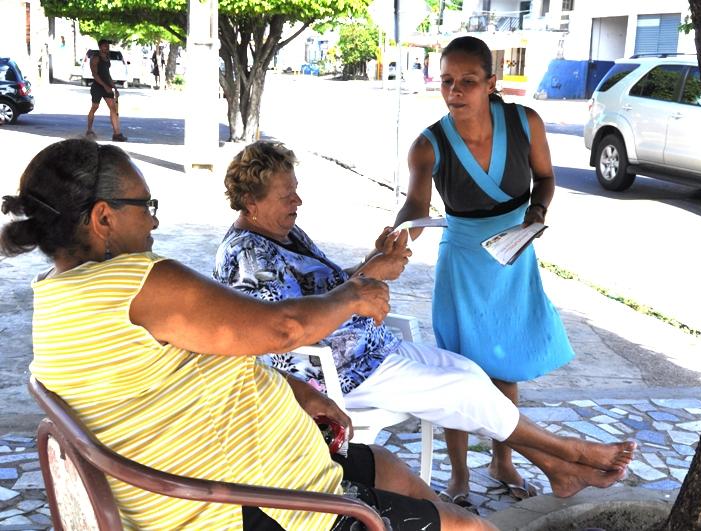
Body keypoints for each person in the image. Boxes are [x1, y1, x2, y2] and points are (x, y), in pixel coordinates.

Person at [0, 138, 493, 531]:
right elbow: (284, 328)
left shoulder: (58, 293)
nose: (154, 218)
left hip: (262, 470)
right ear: (103, 217)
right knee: (468, 527)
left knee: (390, 469)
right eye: (145, 204)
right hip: (250, 503)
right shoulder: (137, 282)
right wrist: (353, 295)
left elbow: (197, 356)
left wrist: (291, 389)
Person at [213, 140, 636, 511]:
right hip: (335, 372)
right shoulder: (247, 255)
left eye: (296, 189)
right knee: (465, 390)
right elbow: (287, 331)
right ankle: (571, 452)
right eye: (286, 195)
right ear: (251, 201)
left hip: (367, 347)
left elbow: (323, 288)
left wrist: (372, 262)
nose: (298, 201)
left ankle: (556, 469)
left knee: (470, 373)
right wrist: (369, 277)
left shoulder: (282, 232)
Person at [393, 36, 576, 504]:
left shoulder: (525, 122)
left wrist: (537, 211)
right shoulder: (428, 145)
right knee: (459, 367)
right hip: (463, 264)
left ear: (492, 83)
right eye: (447, 81)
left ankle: (502, 461)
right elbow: (416, 207)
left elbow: (546, 178)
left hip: (513, 255)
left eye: (468, 81)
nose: (455, 91)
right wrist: (398, 234)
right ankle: (458, 474)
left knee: (504, 366)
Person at [86, 39, 126, 142]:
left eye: (108, 46)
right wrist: (104, 86)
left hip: (107, 86)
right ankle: (89, 130)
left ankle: (117, 134)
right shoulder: (95, 58)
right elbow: (95, 75)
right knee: (94, 107)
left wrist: (115, 88)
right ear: (100, 47)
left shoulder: (107, 58)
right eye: (105, 46)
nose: (107, 47)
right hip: (97, 87)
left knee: (113, 109)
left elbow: (107, 75)